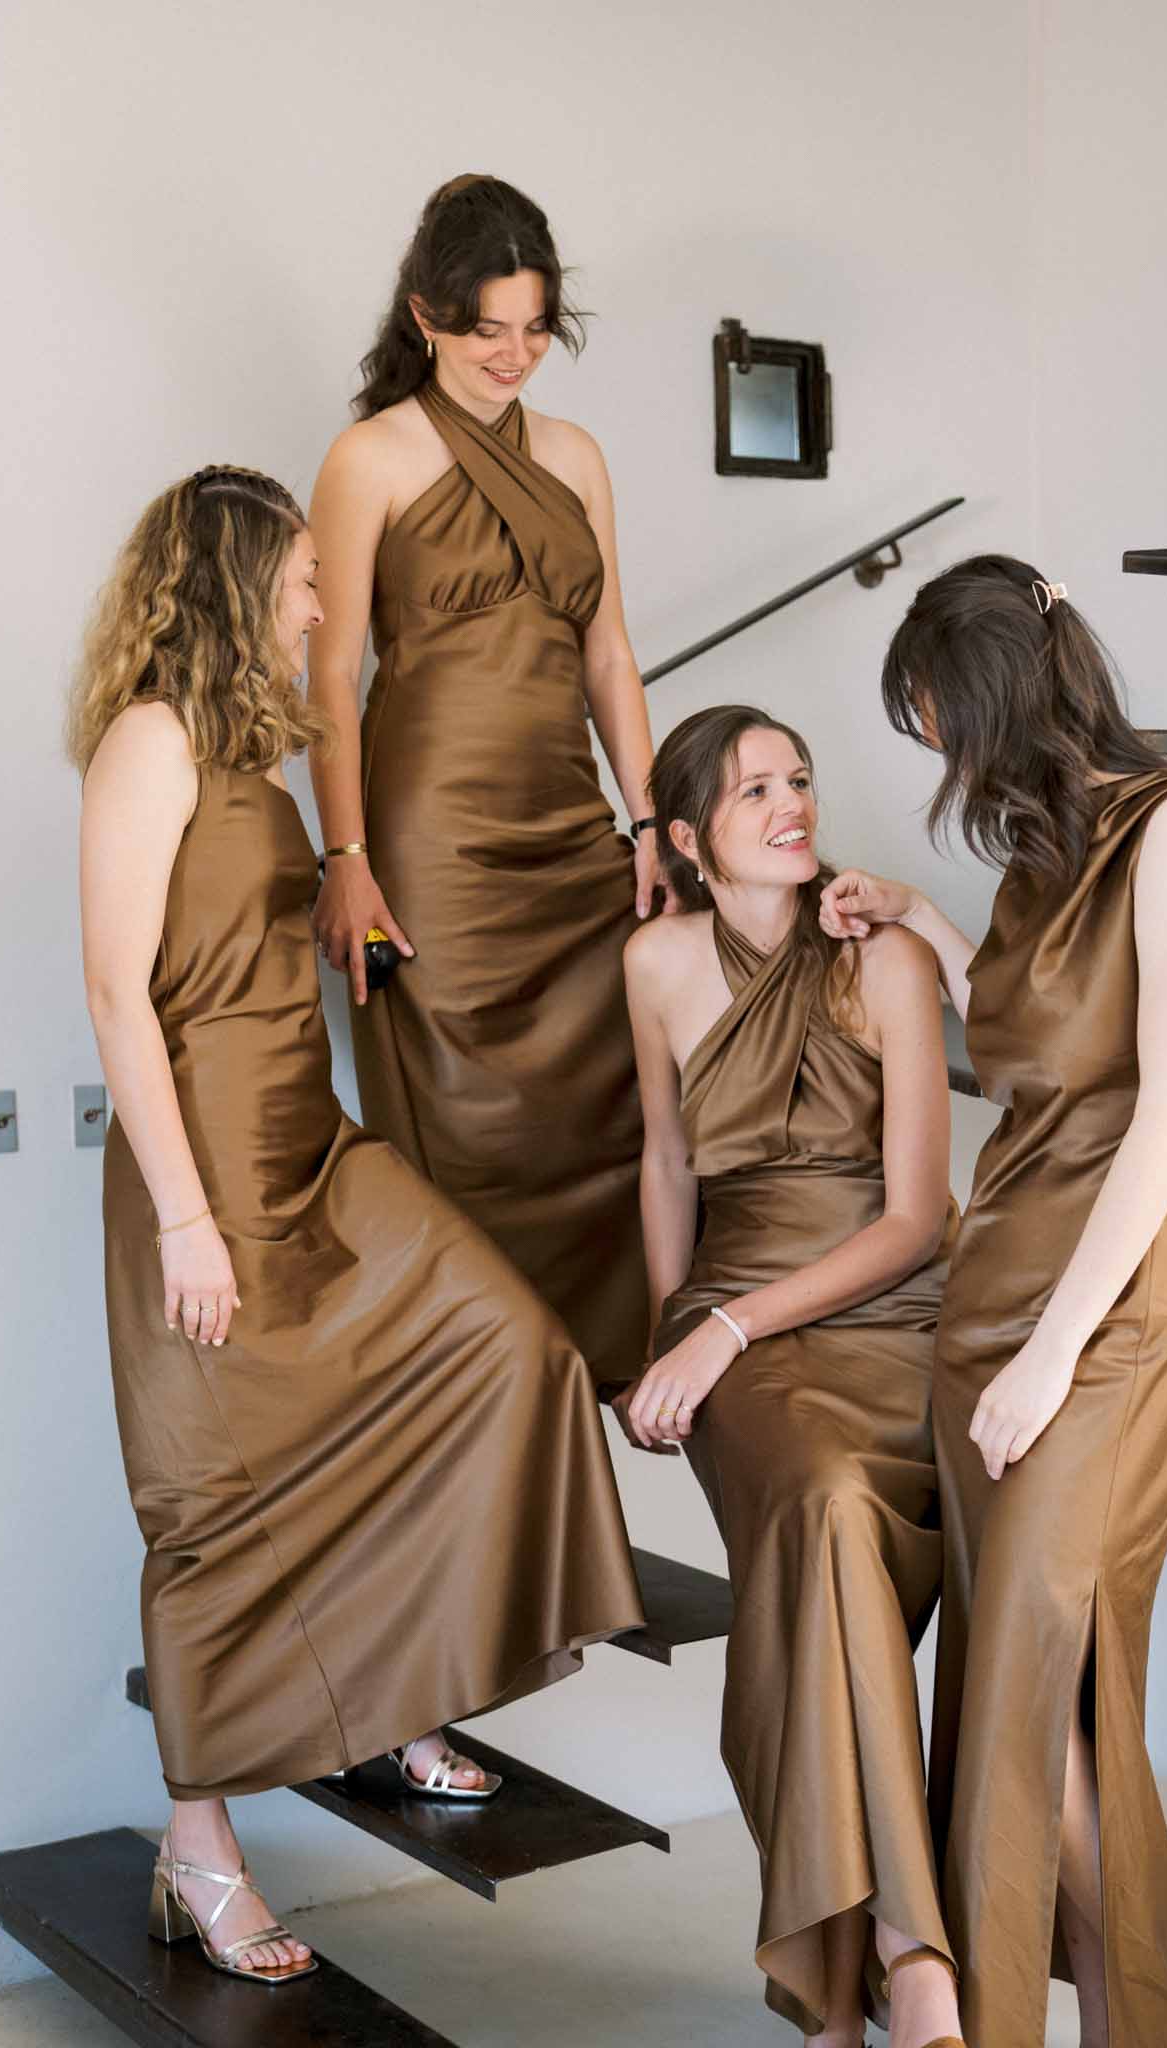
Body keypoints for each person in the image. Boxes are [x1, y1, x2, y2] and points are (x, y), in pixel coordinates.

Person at [73, 465, 644, 1985]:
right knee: (209, 1511)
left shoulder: (259, 752)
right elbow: (118, 996)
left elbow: (253, 933)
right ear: (236, 579)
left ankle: (394, 1699)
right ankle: (198, 1857)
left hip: (309, 1147)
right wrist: (187, 1219)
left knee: (499, 1346)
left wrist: (344, 907)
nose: (326, 600)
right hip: (200, 1181)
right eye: (306, 577)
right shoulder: (149, 740)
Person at [820, 555, 1167, 2048]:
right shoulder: (1031, 859)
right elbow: (1019, 1052)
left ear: (998, 695)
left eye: (937, 717)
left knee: (1035, 1693)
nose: (935, 752)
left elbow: (1166, 1113)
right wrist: (920, 921)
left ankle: (1139, 2025)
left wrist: (1051, 1357)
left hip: (1104, 1318)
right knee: (1026, 1707)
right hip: (995, 1299)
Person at [622, 705, 965, 2048]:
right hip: (732, 1331)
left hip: (891, 1313)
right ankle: (909, 1963)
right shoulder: (652, 961)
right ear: (689, 838)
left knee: (823, 1547)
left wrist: (726, 1332)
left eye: (800, 780)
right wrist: (676, 1328)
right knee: (817, 1507)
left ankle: (844, 1987)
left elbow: (913, 1219)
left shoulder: (877, 957)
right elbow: (662, 1161)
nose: (791, 804)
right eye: (754, 787)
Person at [307, 173, 661, 1389]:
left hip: (570, 830)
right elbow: (330, 682)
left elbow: (609, 652)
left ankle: (591, 1402)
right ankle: (479, 1413)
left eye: (531, 329)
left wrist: (650, 819)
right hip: (431, 846)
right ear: (423, 316)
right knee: (460, 1142)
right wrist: (343, 859)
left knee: (614, 1116)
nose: (512, 356)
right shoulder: (368, 457)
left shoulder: (576, 455)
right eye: (484, 329)